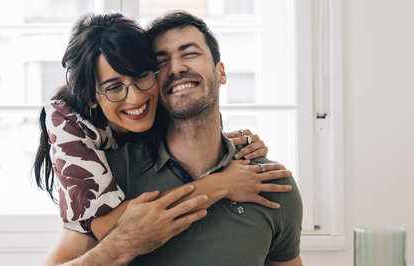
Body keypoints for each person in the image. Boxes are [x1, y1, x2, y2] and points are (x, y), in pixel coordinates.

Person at [31, 10, 312, 266]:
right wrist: (123, 244)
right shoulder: (109, 171)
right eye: (162, 61)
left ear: (221, 71)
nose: (177, 68)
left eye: (190, 53)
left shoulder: (266, 180)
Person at [33, 11, 292, 239]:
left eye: (142, 76)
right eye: (113, 88)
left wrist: (242, 144)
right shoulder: (66, 120)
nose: (135, 97)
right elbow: (105, 227)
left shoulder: (163, 93)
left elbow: (200, 128)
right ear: (91, 96)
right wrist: (221, 184)